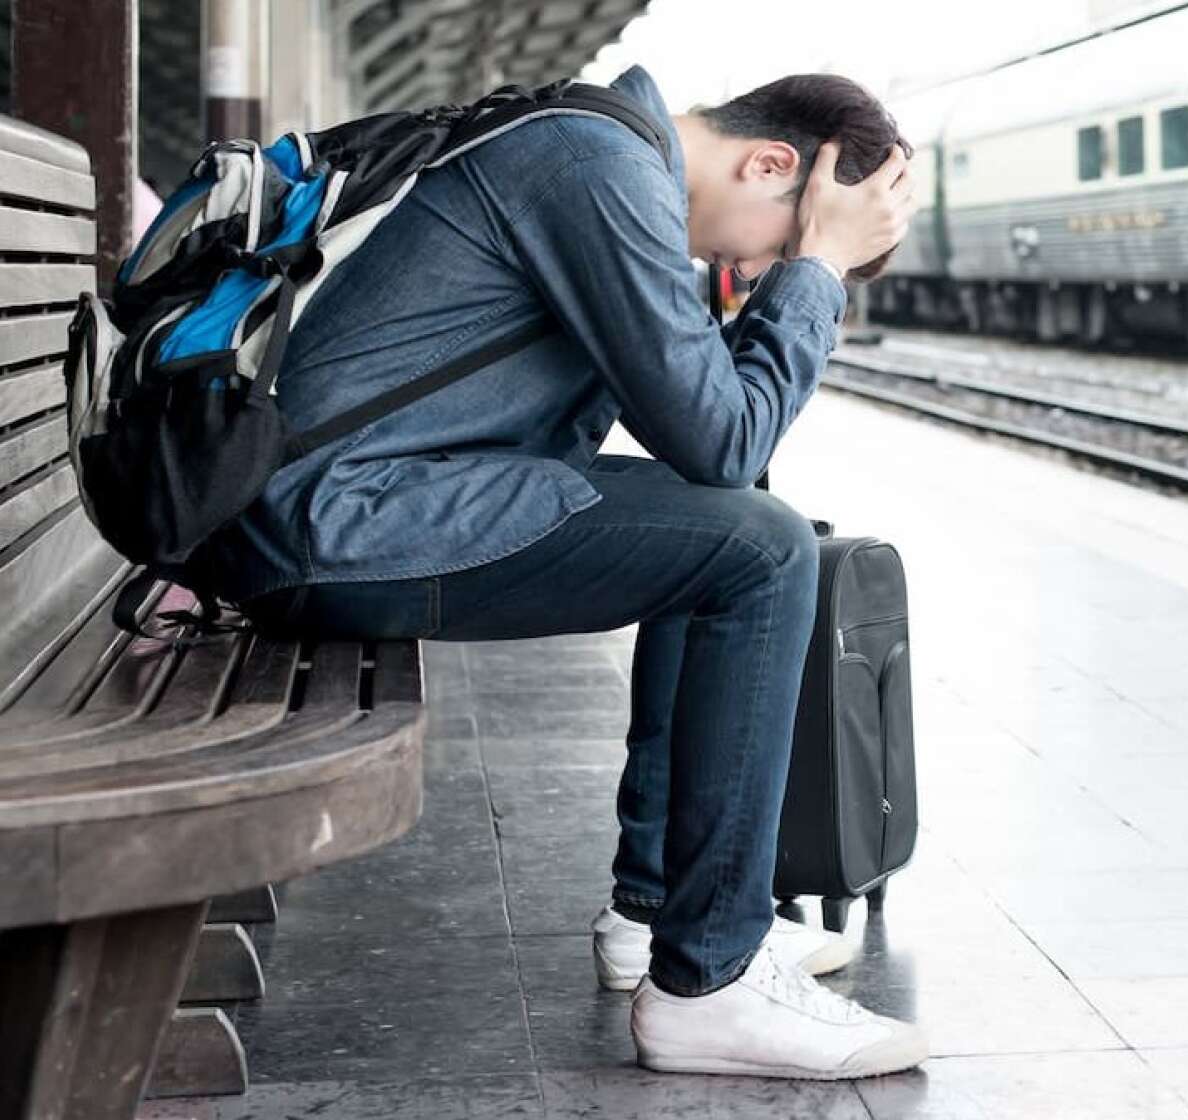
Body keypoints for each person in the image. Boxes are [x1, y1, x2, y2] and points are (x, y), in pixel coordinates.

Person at [208, 65, 926, 1080]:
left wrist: (803, 265)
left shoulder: (604, 159)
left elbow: (708, 436)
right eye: (773, 244)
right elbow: (724, 436)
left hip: (357, 508)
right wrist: (814, 275)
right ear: (770, 163)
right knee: (756, 545)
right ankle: (707, 983)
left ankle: (662, 914)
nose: (746, 268)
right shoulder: (596, 167)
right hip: (338, 524)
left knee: (728, 531)